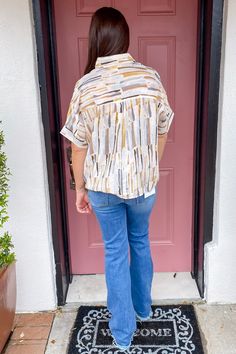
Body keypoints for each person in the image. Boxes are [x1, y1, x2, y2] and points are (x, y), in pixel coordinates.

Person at [60, 6, 174, 352]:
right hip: (143, 186)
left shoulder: (86, 86)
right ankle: (143, 308)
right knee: (140, 241)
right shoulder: (150, 77)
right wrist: (151, 165)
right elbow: (163, 127)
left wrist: (80, 188)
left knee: (114, 252)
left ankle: (122, 336)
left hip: (103, 188)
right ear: (125, 37)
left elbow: (78, 147)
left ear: (96, 39)